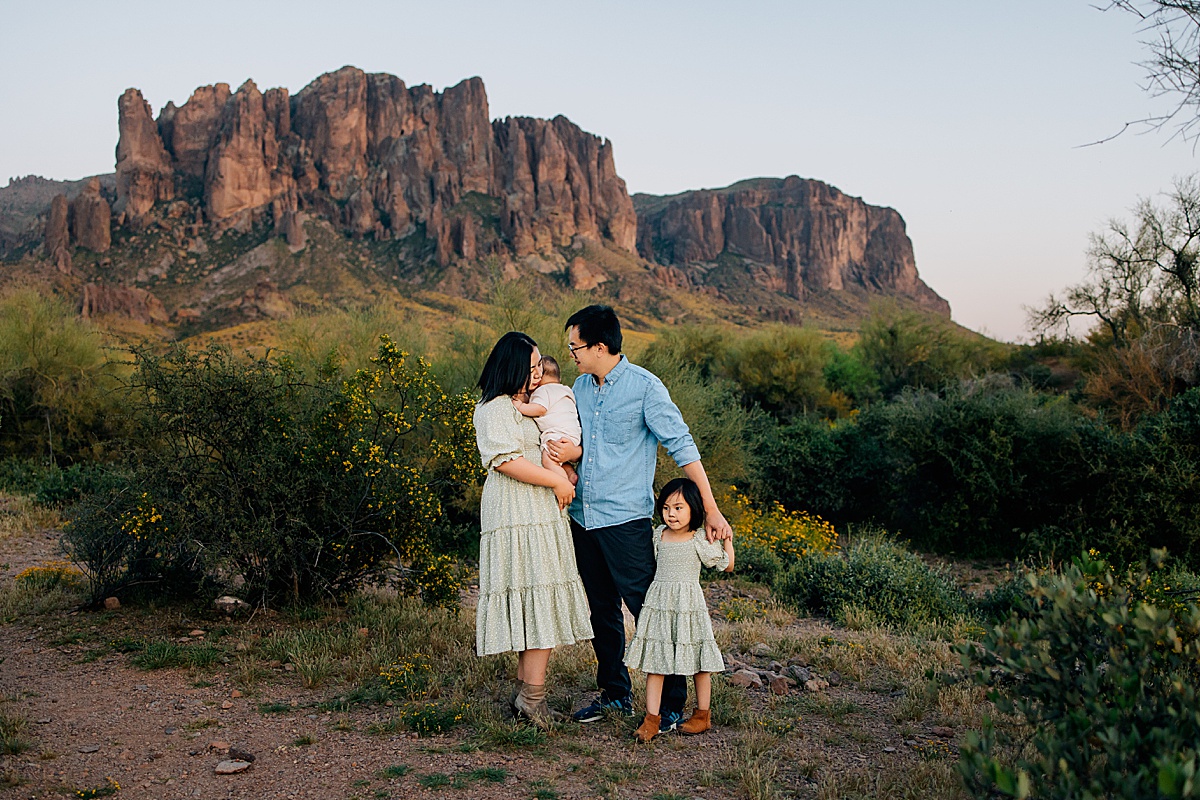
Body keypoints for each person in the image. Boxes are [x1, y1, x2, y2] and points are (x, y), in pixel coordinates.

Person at [544, 304, 733, 733]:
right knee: (600, 611)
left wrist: (711, 506)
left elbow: (681, 445)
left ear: (599, 346)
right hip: (582, 517)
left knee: (649, 609)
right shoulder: (579, 387)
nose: (570, 353)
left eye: (575, 346)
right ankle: (615, 693)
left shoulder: (646, 388)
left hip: (625, 520)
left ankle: (670, 704)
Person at [473, 332, 593, 726]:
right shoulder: (494, 408)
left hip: (537, 511)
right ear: (511, 370)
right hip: (515, 510)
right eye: (531, 368)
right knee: (534, 595)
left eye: (540, 365)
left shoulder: (527, 405)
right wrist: (558, 482)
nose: (539, 373)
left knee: (536, 597)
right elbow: (505, 461)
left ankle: (528, 692)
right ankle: (533, 699)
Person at [625, 477, 734, 742]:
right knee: (656, 662)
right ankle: (651, 720)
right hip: (660, 604)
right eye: (666, 508)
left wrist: (727, 538)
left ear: (694, 508)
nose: (671, 514)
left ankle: (702, 715)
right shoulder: (658, 534)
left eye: (678, 508)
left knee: (699, 663)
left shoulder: (698, 538)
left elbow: (726, 565)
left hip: (688, 605)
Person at [512, 355, 581, 485]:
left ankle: (564, 483)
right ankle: (571, 474)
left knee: (548, 460)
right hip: (574, 434)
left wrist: (521, 406)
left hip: (557, 433)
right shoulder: (566, 390)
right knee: (560, 459)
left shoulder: (543, 391)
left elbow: (540, 408)